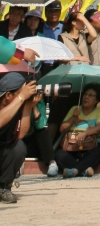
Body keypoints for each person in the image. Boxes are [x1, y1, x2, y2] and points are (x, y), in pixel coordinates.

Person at [0, 73, 38, 202]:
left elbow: (21, 134)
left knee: (19, 147)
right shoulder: (15, 102)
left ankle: (3, 187)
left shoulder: (18, 106)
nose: (24, 95)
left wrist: (28, 106)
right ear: (8, 95)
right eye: (20, 92)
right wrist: (21, 97)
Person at [55, 83, 100, 178]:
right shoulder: (75, 109)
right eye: (85, 94)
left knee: (98, 151)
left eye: (90, 95)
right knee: (59, 154)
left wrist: (85, 133)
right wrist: (73, 117)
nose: (86, 97)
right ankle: (83, 170)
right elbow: (62, 129)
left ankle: (74, 170)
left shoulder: (99, 112)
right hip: (72, 148)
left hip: (89, 148)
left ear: (97, 100)